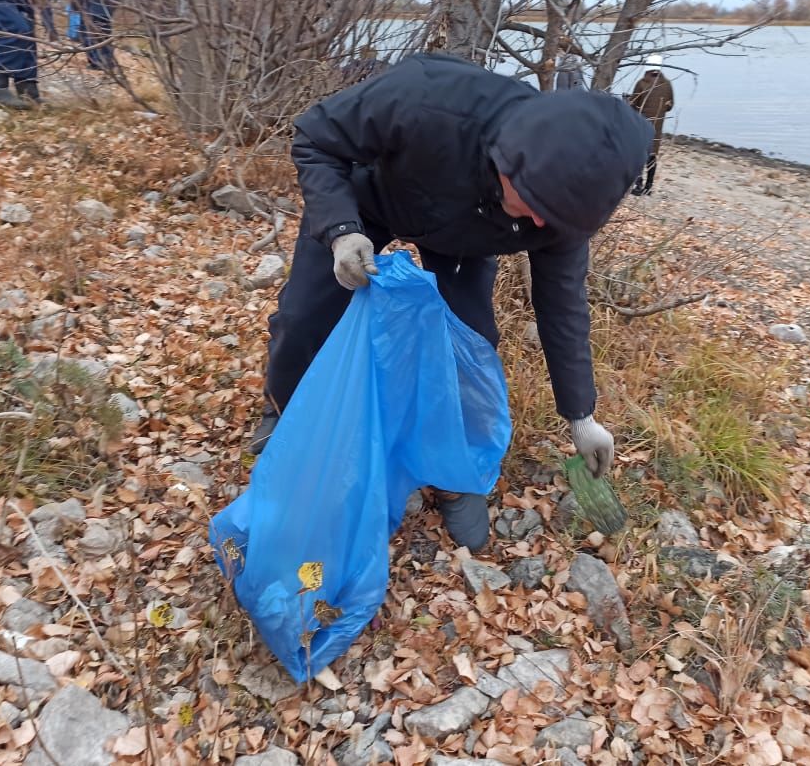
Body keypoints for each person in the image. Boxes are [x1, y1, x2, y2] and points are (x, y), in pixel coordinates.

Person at [246, 52, 652, 551]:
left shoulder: (561, 211)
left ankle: (457, 472)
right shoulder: (426, 98)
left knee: (470, 350)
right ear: (509, 159)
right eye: (537, 207)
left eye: (556, 218)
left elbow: (563, 306)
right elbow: (314, 136)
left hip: (466, 240)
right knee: (305, 316)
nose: (542, 226)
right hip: (376, 196)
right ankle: (282, 410)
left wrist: (581, 415)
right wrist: (340, 229)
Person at [628, 54, 674, 196]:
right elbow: (670, 105)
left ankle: (638, 185)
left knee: (640, 154)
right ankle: (649, 186)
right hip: (657, 126)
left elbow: (634, 104)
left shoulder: (642, 83)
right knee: (652, 155)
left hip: (642, 124)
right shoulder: (667, 84)